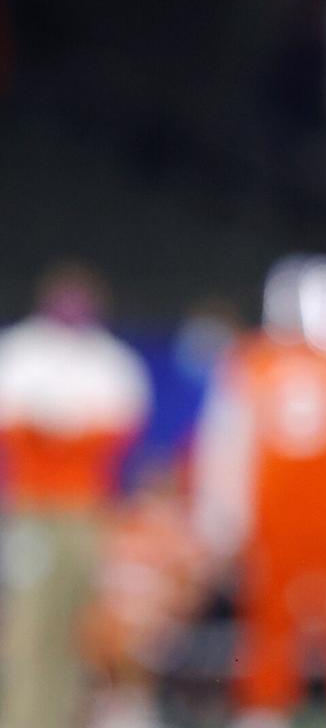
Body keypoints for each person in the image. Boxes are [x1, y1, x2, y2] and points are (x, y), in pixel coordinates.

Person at [194, 255, 326, 728]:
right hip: (289, 520)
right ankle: (273, 709)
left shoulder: (269, 362)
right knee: (279, 623)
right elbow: (230, 441)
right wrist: (225, 513)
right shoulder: (264, 362)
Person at [0, 263, 151, 728]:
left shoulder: (110, 360)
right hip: (33, 510)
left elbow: (122, 430)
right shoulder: (21, 350)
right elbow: (15, 430)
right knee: (29, 621)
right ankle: (23, 718)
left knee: (84, 624)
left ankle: (68, 717)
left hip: (88, 510)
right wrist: (62, 432)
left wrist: (57, 431)